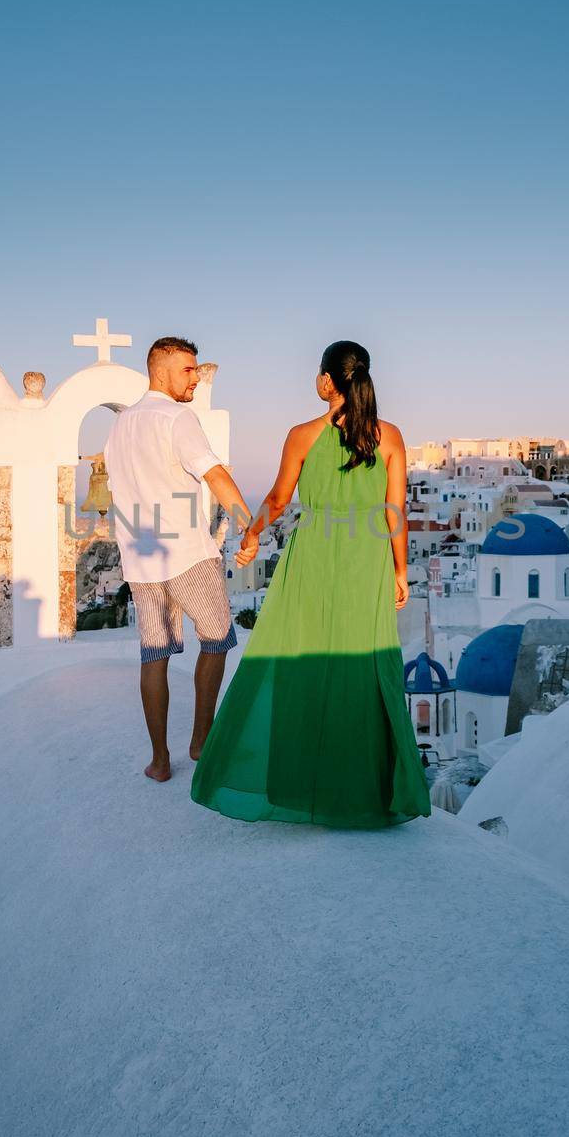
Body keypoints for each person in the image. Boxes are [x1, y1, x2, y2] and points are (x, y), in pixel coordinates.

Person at [190, 340, 431, 828]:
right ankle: (367, 789)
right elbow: (395, 511)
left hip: (314, 556)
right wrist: (400, 570)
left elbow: (279, 499)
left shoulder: (302, 434)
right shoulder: (390, 437)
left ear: (327, 382)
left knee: (301, 660)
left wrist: (252, 535)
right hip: (367, 559)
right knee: (365, 667)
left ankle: (296, 782)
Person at [104, 337, 252, 782]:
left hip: (141, 558)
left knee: (154, 655)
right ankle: (202, 740)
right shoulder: (176, 416)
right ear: (161, 370)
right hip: (186, 554)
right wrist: (248, 523)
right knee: (218, 640)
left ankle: (160, 761)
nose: (195, 377)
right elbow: (214, 473)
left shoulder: (120, 425)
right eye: (188, 370)